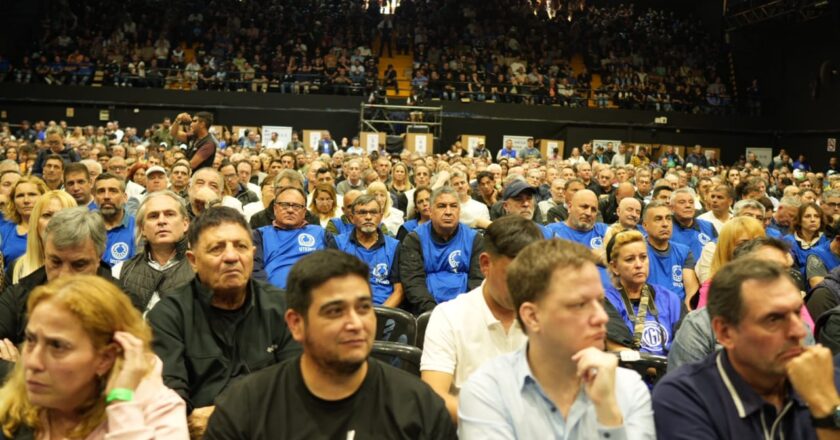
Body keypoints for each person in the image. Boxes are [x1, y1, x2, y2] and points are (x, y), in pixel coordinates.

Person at [203, 249, 456, 439]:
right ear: (295, 324)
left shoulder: (418, 405)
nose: (355, 323)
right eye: (335, 311)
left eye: (363, 308)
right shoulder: (245, 407)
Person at [458, 239, 654, 438]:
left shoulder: (629, 389)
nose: (602, 317)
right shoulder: (487, 392)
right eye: (580, 304)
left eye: (600, 301)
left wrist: (609, 415)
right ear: (532, 317)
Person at [146, 207, 301, 436]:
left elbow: (298, 388)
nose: (231, 257)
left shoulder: (282, 307)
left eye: (241, 246)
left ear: (253, 253)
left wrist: (228, 418)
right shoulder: (168, 315)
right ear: (193, 260)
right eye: (217, 248)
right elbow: (170, 399)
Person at [653, 258, 840, 438]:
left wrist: (827, 401)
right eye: (774, 319)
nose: (799, 331)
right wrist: (827, 411)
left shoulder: (826, 380)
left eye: (797, 312)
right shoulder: (685, 396)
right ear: (725, 333)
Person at [0, 275, 189, 439]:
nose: (32, 362)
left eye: (57, 346)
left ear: (105, 358)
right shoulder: (15, 404)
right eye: (31, 340)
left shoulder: (160, 411)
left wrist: (122, 403)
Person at [421, 216, 543, 421]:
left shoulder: (548, 316)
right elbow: (433, 397)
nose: (525, 287)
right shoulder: (449, 316)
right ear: (486, 264)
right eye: (514, 276)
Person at [667, 237, 814, 372]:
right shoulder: (701, 324)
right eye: (772, 271)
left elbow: (810, 388)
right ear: (741, 274)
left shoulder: (798, 328)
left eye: (786, 271)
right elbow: (682, 391)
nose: (783, 280)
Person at [0, 207, 114, 360]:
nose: (64, 276)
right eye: (55, 262)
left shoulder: (123, 303)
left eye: (79, 265)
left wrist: (22, 369)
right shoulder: (18, 296)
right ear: (45, 253)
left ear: (99, 258)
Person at [400, 187, 484, 314]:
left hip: (467, 312)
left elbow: (478, 281)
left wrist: (465, 311)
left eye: (453, 206)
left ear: (459, 211)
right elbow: (413, 283)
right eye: (442, 206)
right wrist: (435, 313)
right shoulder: (414, 239)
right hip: (428, 312)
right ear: (431, 211)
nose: (448, 212)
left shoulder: (475, 239)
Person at [603, 229, 685, 355]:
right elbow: (622, 354)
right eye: (630, 259)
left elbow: (687, 346)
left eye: (643, 257)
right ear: (615, 267)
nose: (639, 264)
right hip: (633, 372)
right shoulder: (605, 302)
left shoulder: (670, 299)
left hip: (674, 372)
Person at [113, 190, 193, 314]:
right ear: (143, 229)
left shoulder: (202, 268)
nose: (161, 221)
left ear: (185, 224)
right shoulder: (120, 270)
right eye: (153, 216)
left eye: (170, 214)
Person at [252, 186, 336, 289]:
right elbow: (254, 270)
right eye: (284, 205)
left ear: (304, 211)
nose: (290, 210)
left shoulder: (321, 233)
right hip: (274, 297)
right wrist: (268, 295)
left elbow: (336, 266)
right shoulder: (260, 235)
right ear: (275, 208)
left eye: (296, 206)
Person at [335, 194, 403, 307]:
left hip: (385, 311)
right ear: (351, 218)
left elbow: (399, 291)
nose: (368, 217)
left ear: (381, 217)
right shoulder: (338, 244)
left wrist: (380, 314)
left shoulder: (394, 246)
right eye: (362, 212)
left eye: (373, 212)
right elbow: (332, 286)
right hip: (349, 310)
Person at [695, 217, 766, 308]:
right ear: (726, 248)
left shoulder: (773, 281)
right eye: (743, 243)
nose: (753, 248)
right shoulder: (713, 289)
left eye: (757, 242)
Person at [8, 190, 76, 284]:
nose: (54, 222)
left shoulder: (90, 266)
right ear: (36, 223)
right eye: (47, 215)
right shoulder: (17, 268)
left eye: (62, 215)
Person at [642, 201, 699, 305]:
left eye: (668, 218)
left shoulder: (684, 251)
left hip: (679, 312)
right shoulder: (639, 252)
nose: (665, 224)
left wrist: (687, 317)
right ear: (645, 225)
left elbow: (691, 292)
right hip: (650, 311)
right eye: (658, 219)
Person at [1, 176, 48, 266]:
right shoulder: (3, 231)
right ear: (13, 201)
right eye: (20, 196)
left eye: (32, 194)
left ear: (43, 197)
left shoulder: (53, 228)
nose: (26, 200)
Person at [94, 173, 136, 267]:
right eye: (101, 191)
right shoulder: (85, 227)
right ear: (94, 198)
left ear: (125, 197)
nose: (106, 196)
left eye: (113, 191)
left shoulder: (139, 228)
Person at [670, 188, 718, 263]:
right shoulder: (666, 229)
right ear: (672, 208)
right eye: (682, 202)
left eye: (691, 202)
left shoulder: (708, 226)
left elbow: (718, 253)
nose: (688, 205)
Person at [785, 202, 830, 279]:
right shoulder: (788, 241)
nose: (813, 220)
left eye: (817, 216)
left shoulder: (827, 240)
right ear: (799, 220)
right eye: (807, 216)